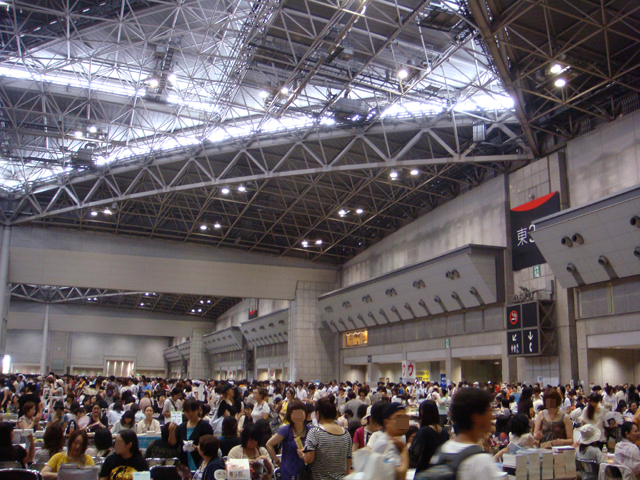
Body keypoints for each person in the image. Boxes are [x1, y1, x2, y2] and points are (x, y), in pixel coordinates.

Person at [427, 388, 502, 480]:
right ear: (476, 417)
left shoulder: (442, 451)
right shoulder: (480, 460)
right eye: (489, 410)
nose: (492, 416)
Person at [303, 397, 352, 480]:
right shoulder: (346, 434)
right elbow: (348, 460)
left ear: (318, 414)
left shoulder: (315, 432)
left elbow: (309, 459)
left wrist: (302, 454)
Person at [266, 400, 308, 480]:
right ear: (289, 416)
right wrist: (278, 462)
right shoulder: (285, 430)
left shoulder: (312, 430)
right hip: (289, 473)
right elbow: (269, 444)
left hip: (307, 473)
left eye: (300, 412)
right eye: (294, 413)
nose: (298, 415)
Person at [174, 398, 214, 471]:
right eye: (187, 411)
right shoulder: (181, 427)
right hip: (184, 465)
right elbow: (174, 445)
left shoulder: (205, 426)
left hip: (201, 464)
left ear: (198, 410)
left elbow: (210, 446)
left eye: (193, 410)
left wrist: (197, 448)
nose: (190, 414)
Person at [409, 400, 449, 473]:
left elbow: (414, 455)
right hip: (440, 470)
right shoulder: (444, 431)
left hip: (425, 470)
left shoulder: (424, 431)